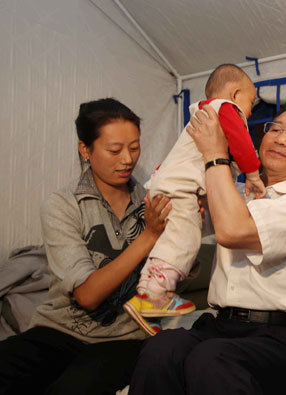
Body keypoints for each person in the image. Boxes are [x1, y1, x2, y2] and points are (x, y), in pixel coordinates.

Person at [128, 100, 286, 395]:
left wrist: (215, 156)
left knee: (211, 359)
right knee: (162, 348)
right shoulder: (237, 193)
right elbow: (185, 222)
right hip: (223, 327)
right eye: (276, 129)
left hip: (282, 338)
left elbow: (232, 231)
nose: (281, 139)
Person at [0, 98, 171, 394]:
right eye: (114, 150)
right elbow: (88, 295)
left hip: (125, 337)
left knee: (75, 387)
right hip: (59, 330)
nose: (127, 159)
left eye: (134, 147)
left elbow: (176, 272)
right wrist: (149, 236)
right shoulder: (62, 205)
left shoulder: (152, 202)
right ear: (85, 149)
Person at [124, 64, 267, 335]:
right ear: (235, 94)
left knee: (172, 238)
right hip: (178, 188)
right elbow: (241, 142)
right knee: (185, 237)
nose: (250, 111)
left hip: (167, 184)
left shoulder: (204, 115)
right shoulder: (225, 108)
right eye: (251, 103)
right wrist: (252, 173)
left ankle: (147, 295)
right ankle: (154, 294)